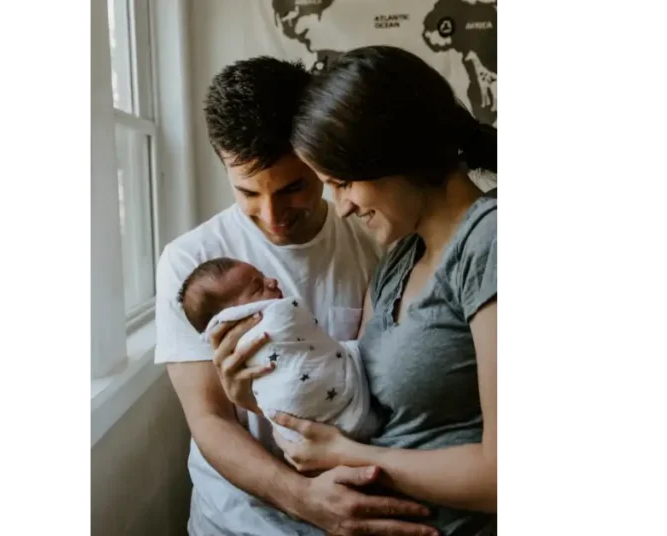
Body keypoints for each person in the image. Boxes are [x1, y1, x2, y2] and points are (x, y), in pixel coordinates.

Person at [216, 45, 503, 535]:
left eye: (344, 182)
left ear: (397, 155)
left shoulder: (489, 243)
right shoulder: (397, 258)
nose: (342, 207)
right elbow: (362, 405)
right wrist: (260, 395)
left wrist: (349, 455)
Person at [154, 56, 440, 536]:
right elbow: (209, 420)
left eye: (293, 188)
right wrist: (306, 499)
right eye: (248, 192)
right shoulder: (191, 264)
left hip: (357, 506)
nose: (272, 215)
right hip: (236, 520)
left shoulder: (377, 238)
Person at [177, 257, 381, 444]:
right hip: (279, 454)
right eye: (257, 287)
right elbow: (209, 420)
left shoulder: (363, 249)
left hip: (304, 438)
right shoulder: (184, 256)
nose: (272, 281)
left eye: (262, 276)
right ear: (234, 315)